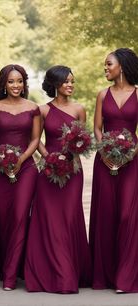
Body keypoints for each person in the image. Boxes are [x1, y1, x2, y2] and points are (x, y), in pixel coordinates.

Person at [24, 65, 91, 293]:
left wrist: (72, 156)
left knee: (68, 219)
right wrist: (50, 158)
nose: (71, 85)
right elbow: (35, 139)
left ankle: (69, 273)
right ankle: (49, 274)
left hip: (73, 171)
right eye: (66, 81)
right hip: (50, 170)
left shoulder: (80, 109)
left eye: (73, 81)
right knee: (50, 221)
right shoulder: (41, 110)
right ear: (55, 84)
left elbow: (83, 140)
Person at [0, 64, 40, 290]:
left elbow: (36, 139)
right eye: (11, 82)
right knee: (0, 218)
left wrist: (20, 159)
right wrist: (0, 157)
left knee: (19, 216)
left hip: (26, 169)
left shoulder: (33, 107)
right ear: (4, 84)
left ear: (24, 83)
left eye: (19, 81)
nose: (16, 85)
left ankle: (10, 275)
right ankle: (4, 264)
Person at [89, 48, 138, 293]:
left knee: (128, 216)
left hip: (132, 162)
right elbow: (97, 128)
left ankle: (126, 277)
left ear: (123, 65)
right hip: (105, 162)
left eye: (109, 64)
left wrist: (129, 154)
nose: (105, 68)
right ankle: (105, 276)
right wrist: (105, 152)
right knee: (106, 215)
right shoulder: (101, 94)